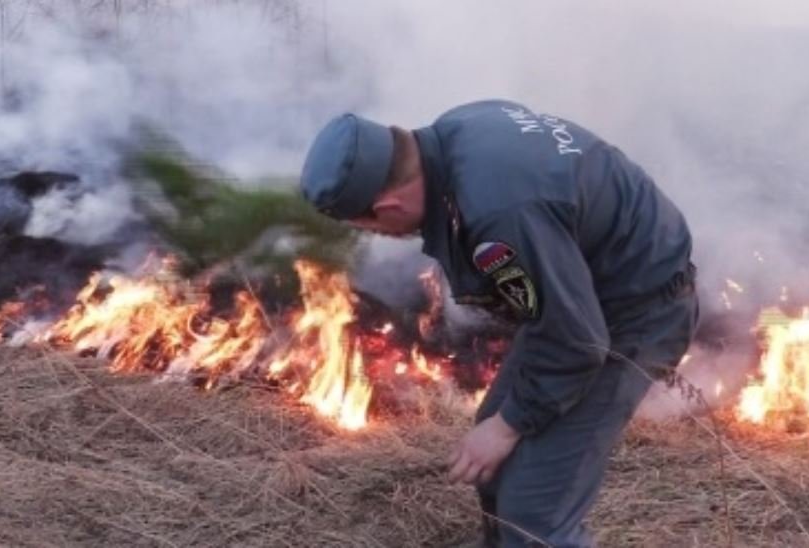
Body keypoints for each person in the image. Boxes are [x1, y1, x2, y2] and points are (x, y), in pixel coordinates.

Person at [299, 99, 699, 547]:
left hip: (636, 311)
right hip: (583, 294)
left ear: (388, 205)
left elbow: (580, 340)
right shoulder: (457, 128)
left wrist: (509, 426)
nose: (381, 236)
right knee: (493, 451)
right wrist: (501, 424)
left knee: (535, 511)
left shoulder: (498, 215)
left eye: (370, 226)